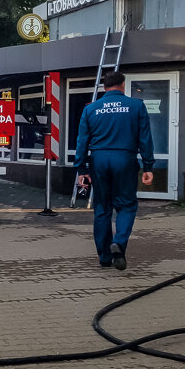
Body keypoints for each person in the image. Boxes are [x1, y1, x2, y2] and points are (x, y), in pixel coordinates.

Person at [75, 71, 155, 271]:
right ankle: (118, 242)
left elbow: (82, 141)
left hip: (99, 160)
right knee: (126, 206)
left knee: (102, 208)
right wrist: (148, 166)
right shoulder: (136, 106)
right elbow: (145, 138)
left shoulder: (91, 109)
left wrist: (82, 168)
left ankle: (104, 258)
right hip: (125, 159)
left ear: (104, 87)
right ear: (123, 85)